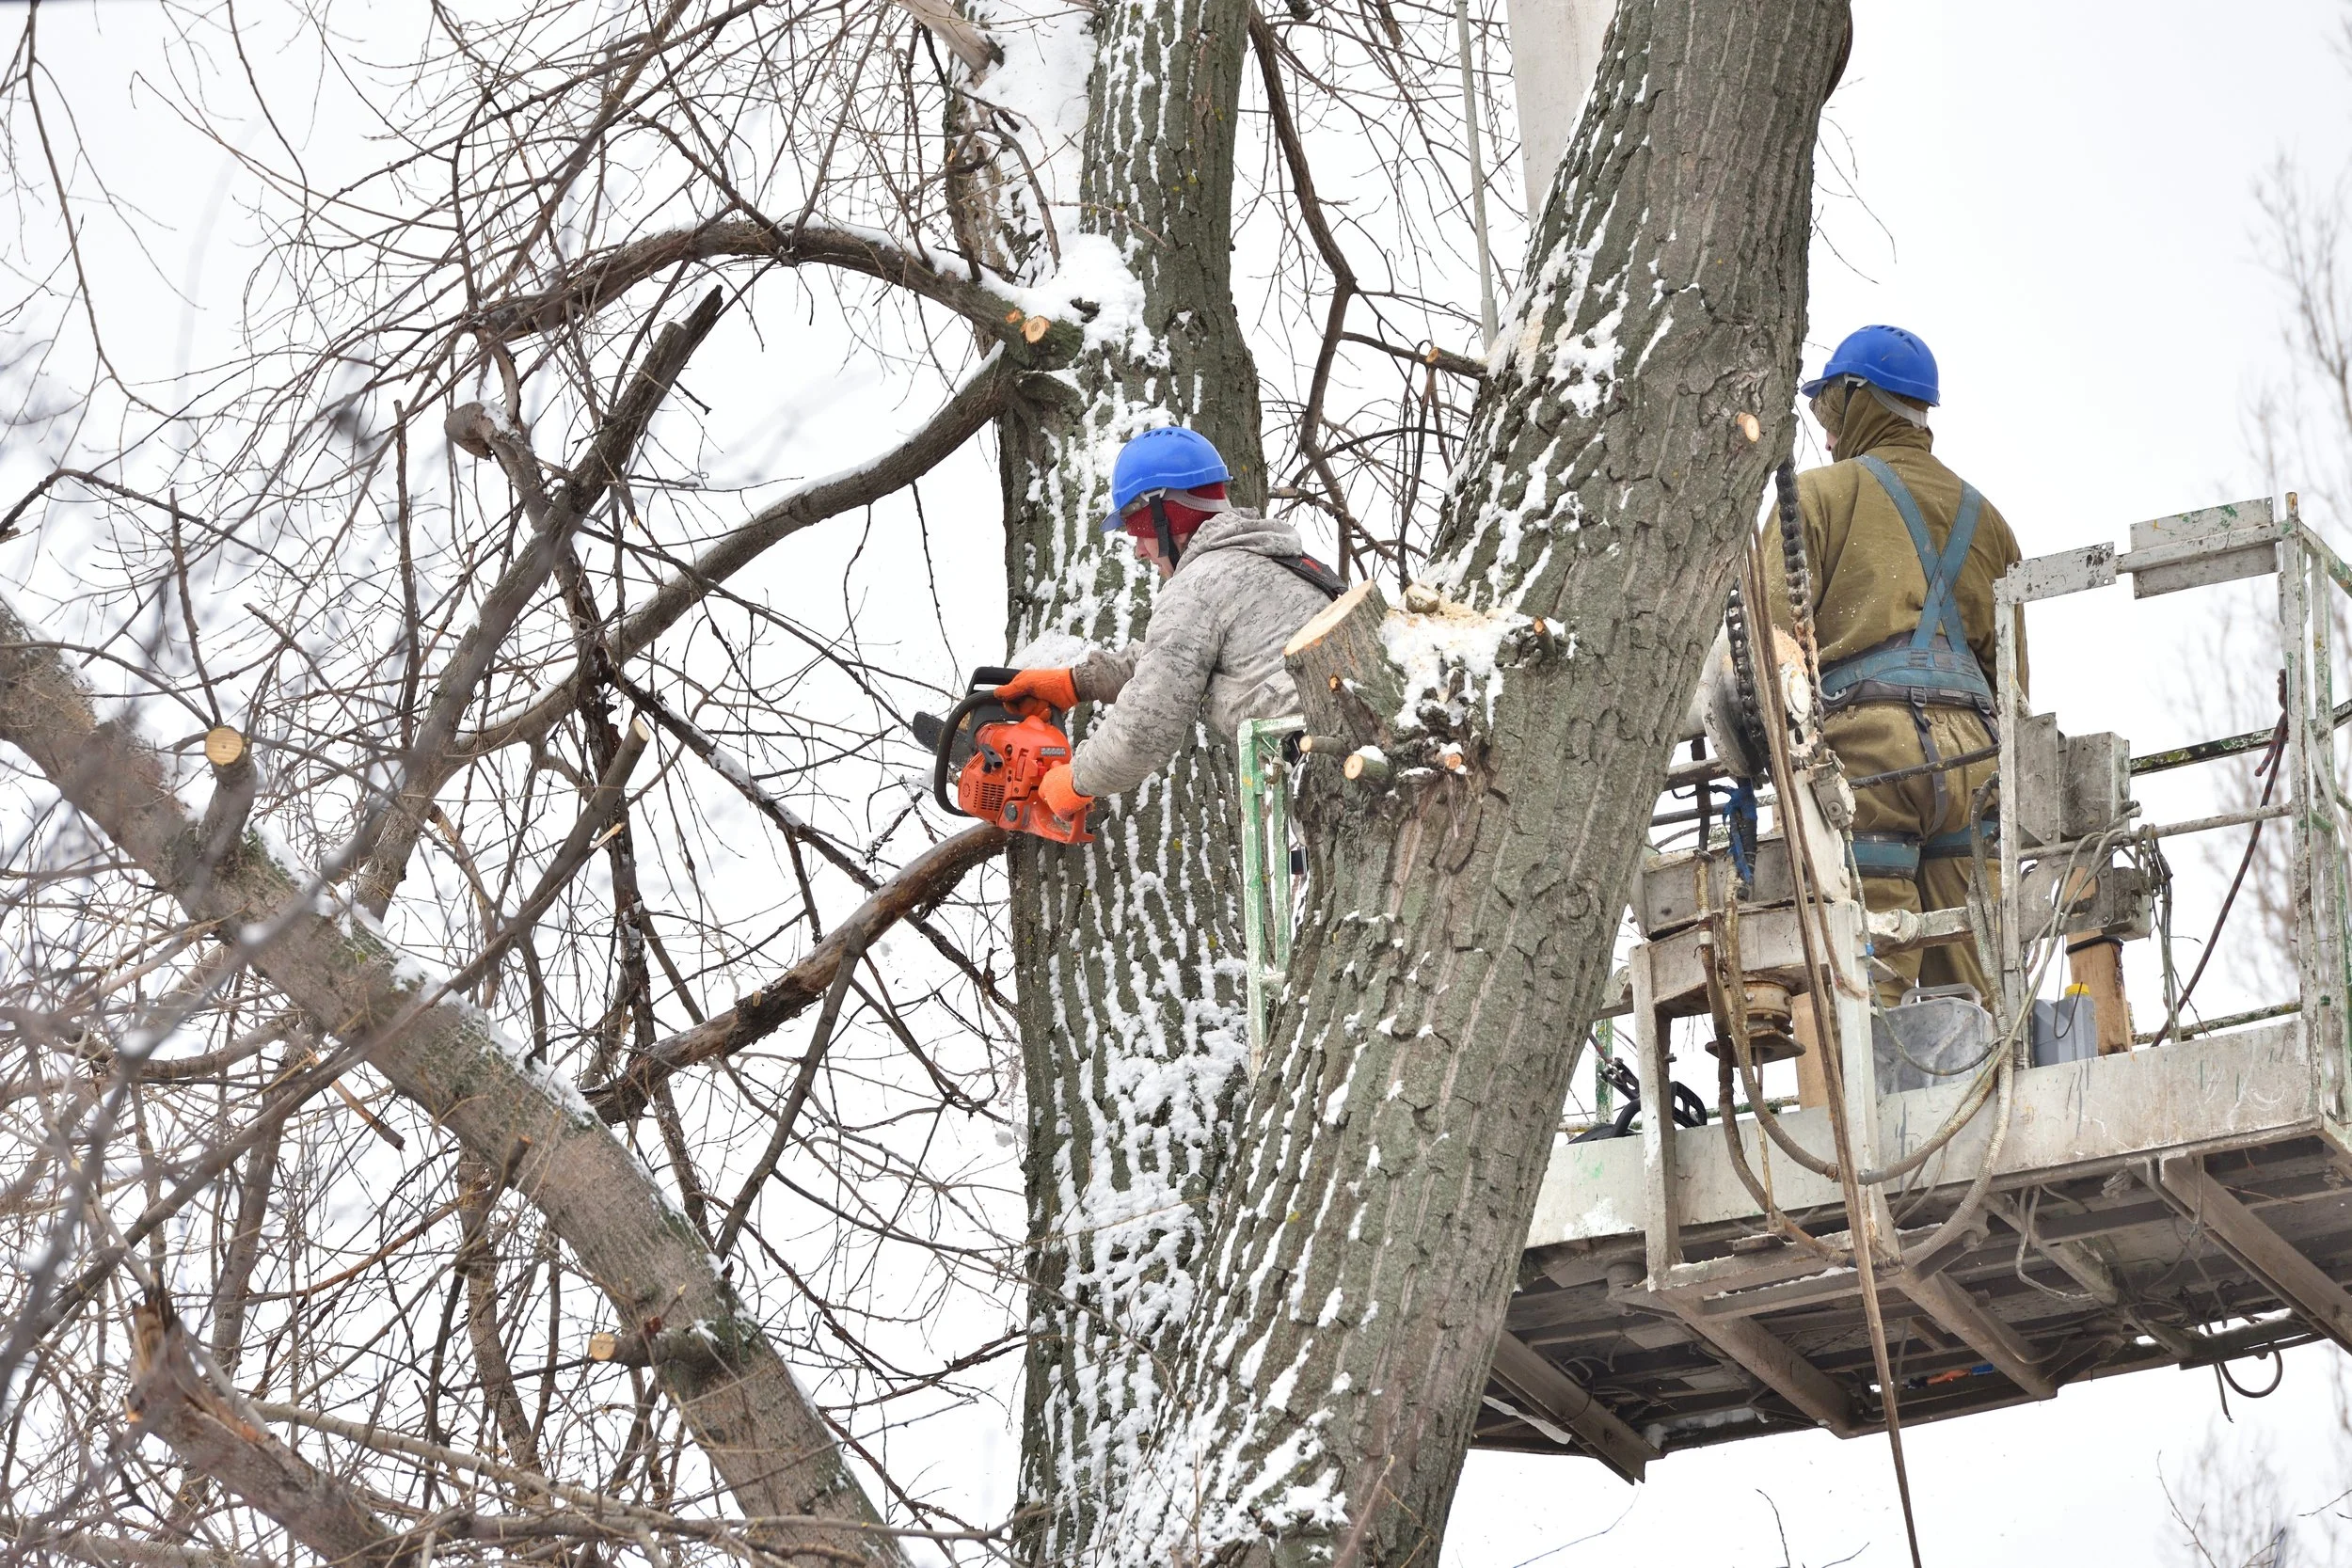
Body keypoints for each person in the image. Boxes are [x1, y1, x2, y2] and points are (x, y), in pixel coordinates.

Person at [1765, 325, 2027, 1003]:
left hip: (1871, 764)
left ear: (1860, 402)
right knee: (1977, 994)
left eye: (1828, 412)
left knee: (1861, 988)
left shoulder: (1819, 498)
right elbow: (2013, 686)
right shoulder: (1992, 524)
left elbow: (1767, 660)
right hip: (1975, 772)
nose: (1825, 435)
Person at [994, 427, 1342, 822]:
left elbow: (1146, 726)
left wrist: (1075, 781)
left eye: (1138, 527)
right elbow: (1173, 658)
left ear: (1168, 513)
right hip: (1349, 755)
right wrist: (1076, 683)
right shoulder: (1278, 564)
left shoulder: (1199, 583)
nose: (1140, 549)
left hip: (1330, 782)